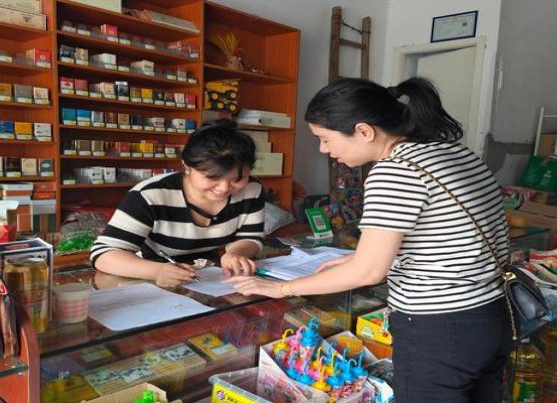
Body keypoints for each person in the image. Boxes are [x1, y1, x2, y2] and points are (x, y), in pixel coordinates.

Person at [227, 77, 513, 402]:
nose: (324, 150)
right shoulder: (450, 151)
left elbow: (369, 273)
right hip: (491, 313)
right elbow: (452, 235)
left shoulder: (395, 171)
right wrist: (358, 256)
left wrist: (280, 289)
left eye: (324, 138)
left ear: (364, 131)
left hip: (441, 326)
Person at [91, 119, 265, 288]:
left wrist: (235, 254)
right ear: (187, 166)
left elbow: (250, 237)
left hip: (211, 275)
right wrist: (157, 271)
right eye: (212, 178)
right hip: (152, 275)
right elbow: (104, 253)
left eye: (237, 179)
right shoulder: (151, 194)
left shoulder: (251, 188)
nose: (224, 188)